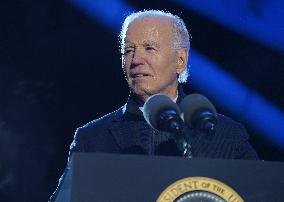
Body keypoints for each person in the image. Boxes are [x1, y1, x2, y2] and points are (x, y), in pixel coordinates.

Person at [49, 9, 258, 201]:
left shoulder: (227, 135)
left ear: (181, 60)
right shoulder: (93, 139)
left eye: (149, 48)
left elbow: (264, 193)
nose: (136, 59)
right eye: (128, 50)